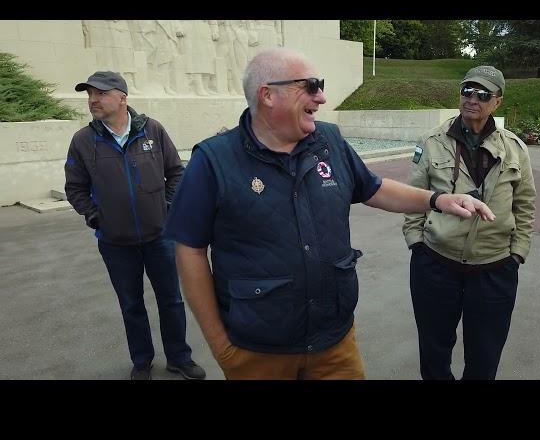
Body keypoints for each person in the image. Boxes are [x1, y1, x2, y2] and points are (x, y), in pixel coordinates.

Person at [163, 48, 495, 380]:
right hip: (257, 352)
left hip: (334, 344)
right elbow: (190, 249)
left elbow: (373, 188)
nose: (321, 96)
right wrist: (220, 344)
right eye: (310, 85)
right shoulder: (214, 160)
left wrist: (438, 200)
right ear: (268, 95)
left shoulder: (329, 140)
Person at [64, 71, 206, 380]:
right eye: (89, 94)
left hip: (160, 238)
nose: (92, 100)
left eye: (100, 93)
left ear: (122, 98)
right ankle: (142, 362)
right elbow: (74, 188)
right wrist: (94, 215)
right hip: (115, 243)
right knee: (131, 305)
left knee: (172, 300)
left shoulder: (152, 130)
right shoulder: (84, 141)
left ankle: (179, 358)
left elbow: (176, 173)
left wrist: (167, 208)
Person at [402, 65, 536, 380]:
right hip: (435, 263)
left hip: (495, 267)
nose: (472, 99)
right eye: (467, 91)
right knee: (434, 353)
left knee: (484, 357)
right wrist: (416, 243)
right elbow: (414, 195)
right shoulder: (432, 141)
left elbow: (526, 203)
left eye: (482, 94)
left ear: (497, 102)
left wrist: (518, 253)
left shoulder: (515, 148)